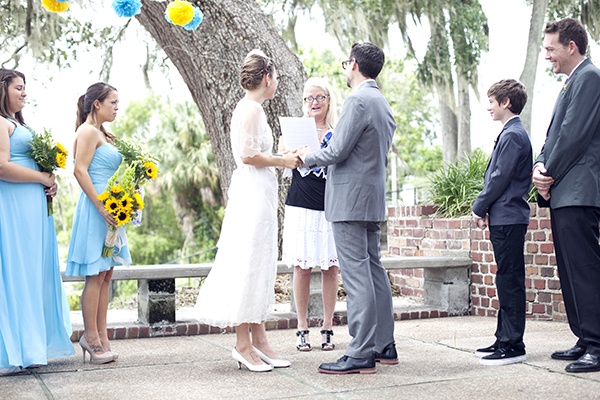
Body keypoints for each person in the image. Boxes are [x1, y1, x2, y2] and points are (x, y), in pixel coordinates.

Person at [194, 49, 300, 372]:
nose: (277, 82)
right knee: (248, 262)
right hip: (252, 193)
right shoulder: (251, 109)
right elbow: (248, 155)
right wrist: (283, 161)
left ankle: (260, 338)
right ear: (266, 78)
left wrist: (280, 152)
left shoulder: (253, 109)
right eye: (276, 77)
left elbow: (257, 151)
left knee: (260, 262)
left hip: (260, 191)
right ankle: (243, 344)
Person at [298, 42, 397, 375]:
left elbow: (337, 150)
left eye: (345, 63)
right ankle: (385, 344)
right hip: (370, 198)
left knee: (357, 277)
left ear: (353, 64)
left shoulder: (357, 100)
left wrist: (304, 157)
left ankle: (360, 352)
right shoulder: (382, 101)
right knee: (373, 271)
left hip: (349, 200)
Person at [532, 17, 600, 373]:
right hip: (563, 191)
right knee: (570, 271)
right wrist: (540, 164)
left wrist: (548, 172)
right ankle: (585, 337)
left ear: (571, 46)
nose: (547, 57)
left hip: (579, 191)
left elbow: (573, 135)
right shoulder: (573, 81)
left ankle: (598, 343)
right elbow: (553, 135)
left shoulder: (590, 78)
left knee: (585, 269)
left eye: (550, 49)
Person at [0, 68, 75, 375]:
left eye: (25, 88)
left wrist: (50, 182)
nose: (24, 93)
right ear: (3, 88)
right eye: (19, 88)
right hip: (13, 206)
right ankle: (16, 348)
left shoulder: (17, 123)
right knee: (16, 271)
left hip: (33, 208)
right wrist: (40, 176)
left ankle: (32, 346)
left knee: (33, 272)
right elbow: (2, 167)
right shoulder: (0, 123)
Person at [65, 82, 131, 365]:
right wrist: (101, 206)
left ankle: (103, 337)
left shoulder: (104, 133)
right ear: (97, 104)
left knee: (106, 274)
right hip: (97, 208)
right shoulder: (87, 131)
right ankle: (90, 338)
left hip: (111, 207)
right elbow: (79, 170)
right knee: (95, 273)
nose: (117, 108)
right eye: (113, 102)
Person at [472, 79, 532, 366]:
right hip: (504, 216)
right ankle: (502, 338)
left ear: (506, 102)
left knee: (509, 280)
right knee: (505, 278)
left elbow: (499, 178)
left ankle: (513, 344)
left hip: (509, 218)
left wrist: (478, 207)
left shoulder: (513, 135)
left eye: (492, 101)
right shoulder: (511, 133)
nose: (488, 107)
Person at [280, 77, 339, 352]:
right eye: (309, 98)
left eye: (320, 97)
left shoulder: (337, 132)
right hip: (300, 204)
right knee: (302, 267)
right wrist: (291, 151)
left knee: (330, 266)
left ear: (328, 100)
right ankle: (301, 325)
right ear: (303, 102)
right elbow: (283, 160)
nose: (314, 103)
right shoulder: (293, 131)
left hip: (329, 205)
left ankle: (328, 325)